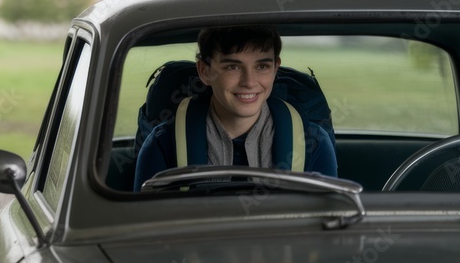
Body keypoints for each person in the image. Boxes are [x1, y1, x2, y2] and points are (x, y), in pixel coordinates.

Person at [134, 25, 337, 191]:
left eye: (262, 66)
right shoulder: (163, 143)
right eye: (233, 67)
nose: (249, 82)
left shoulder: (313, 141)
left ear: (276, 69)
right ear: (204, 71)